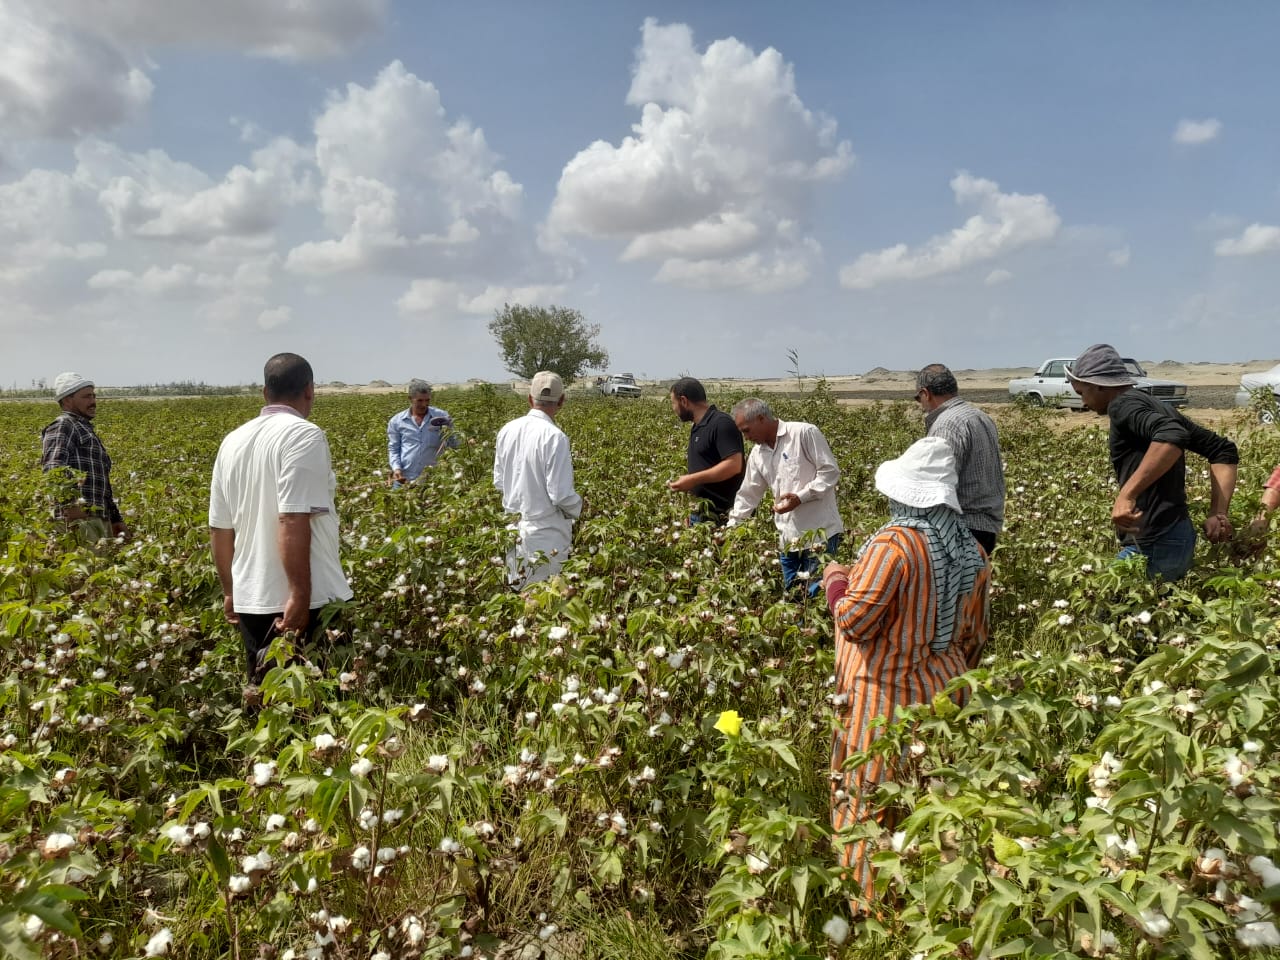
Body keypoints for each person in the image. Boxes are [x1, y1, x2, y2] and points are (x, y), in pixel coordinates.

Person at [821, 436, 990, 911]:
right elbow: (975, 633)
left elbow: (855, 621)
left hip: (881, 700)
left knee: (866, 806)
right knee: (929, 808)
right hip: (943, 699)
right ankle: (928, 909)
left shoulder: (895, 544)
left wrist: (835, 581)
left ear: (903, 494)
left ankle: (869, 912)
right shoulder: (972, 550)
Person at [209, 353, 353, 683]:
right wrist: (299, 595)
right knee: (325, 707)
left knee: (268, 705)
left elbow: (220, 527)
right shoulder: (304, 434)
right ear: (310, 390)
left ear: (265, 393)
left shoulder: (232, 441)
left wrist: (231, 591)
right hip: (311, 600)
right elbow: (291, 519)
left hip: (252, 600)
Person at [1066, 343, 1238, 581]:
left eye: (1081, 392)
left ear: (1098, 384)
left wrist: (1127, 494)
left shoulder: (1122, 405)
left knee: (1104, 611)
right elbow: (1222, 450)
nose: (1083, 402)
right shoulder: (1150, 403)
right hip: (1176, 535)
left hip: (1156, 542)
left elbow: (1172, 436)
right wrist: (1218, 513)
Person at [727, 397, 843, 594]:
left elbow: (830, 472)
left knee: (817, 600)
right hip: (788, 540)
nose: (745, 437)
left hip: (820, 536)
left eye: (746, 430)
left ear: (761, 418)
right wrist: (731, 529)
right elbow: (748, 494)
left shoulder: (803, 433)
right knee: (795, 602)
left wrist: (800, 497)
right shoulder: (757, 454)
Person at [493, 371, 583, 588]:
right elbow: (560, 495)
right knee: (546, 602)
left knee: (520, 597)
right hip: (546, 536)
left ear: (530, 399)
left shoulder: (507, 430)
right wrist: (580, 507)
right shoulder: (555, 437)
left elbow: (498, 482)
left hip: (514, 529)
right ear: (561, 401)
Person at [915, 363, 1005, 554]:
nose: (920, 404)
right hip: (986, 527)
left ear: (925, 393)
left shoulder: (946, 425)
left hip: (962, 530)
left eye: (918, 398)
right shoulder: (980, 416)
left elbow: (939, 488)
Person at [40, 372, 127, 543]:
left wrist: (115, 519)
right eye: (87, 397)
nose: (93, 401)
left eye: (93, 396)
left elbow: (102, 485)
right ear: (67, 400)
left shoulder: (84, 428)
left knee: (101, 568)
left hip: (97, 518)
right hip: (78, 520)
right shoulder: (64, 425)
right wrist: (70, 505)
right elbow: (53, 468)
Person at [667, 377, 745, 523]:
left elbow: (734, 465)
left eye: (673, 403)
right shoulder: (698, 427)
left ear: (684, 401)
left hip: (722, 515)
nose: (674, 409)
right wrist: (692, 512)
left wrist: (692, 479)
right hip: (701, 514)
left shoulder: (721, 423)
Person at [387, 379, 459, 485]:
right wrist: (396, 468)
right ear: (410, 399)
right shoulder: (397, 421)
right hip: (405, 477)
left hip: (434, 479)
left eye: (427, 400)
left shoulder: (441, 416)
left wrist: (465, 441)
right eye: (420, 400)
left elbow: (454, 443)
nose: (424, 404)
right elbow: (394, 448)